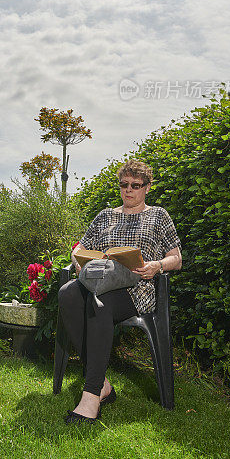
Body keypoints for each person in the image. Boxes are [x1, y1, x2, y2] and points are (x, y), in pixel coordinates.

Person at [58, 159, 182, 424]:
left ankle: (91, 396)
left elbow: (177, 258)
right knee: (68, 293)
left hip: (138, 287)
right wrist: (79, 259)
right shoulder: (105, 215)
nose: (129, 190)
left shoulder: (159, 215)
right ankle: (101, 382)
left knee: (99, 302)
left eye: (135, 185)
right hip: (101, 281)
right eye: (124, 184)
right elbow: (81, 247)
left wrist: (157, 266)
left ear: (147, 187)